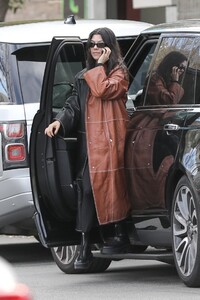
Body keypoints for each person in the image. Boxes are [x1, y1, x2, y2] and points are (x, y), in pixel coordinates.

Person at [44, 27, 131, 269]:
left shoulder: (119, 74)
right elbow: (74, 104)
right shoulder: (84, 75)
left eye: (100, 44)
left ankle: (119, 234)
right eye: (91, 43)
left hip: (111, 142)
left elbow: (103, 89)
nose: (94, 47)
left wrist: (99, 67)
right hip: (90, 145)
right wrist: (59, 120)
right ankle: (84, 247)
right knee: (86, 192)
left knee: (114, 188)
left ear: (109, 47)